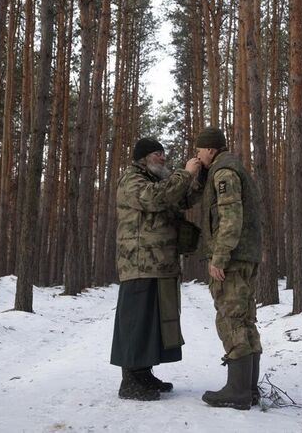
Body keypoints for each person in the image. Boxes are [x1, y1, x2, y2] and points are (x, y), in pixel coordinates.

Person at [110, 137, 202, 401]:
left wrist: (199, 175)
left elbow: (181, 198)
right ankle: (129, 380)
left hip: (159, 263)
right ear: (143, 158)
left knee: (155, 323)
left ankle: (143, 373)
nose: (163, 157)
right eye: (157, 153)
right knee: (137, 322)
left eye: (163, 153)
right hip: (139, 263)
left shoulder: (155, 179)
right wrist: (185, 173)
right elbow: (157, 198)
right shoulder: (132, 180)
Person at [195, 127, 263, 410]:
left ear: (210, 149)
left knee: (232, 319)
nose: (197, 156)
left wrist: (219, 257)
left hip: (232, 260)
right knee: (245, 319)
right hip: (245, 256)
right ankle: (247, 389)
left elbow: (230, 218)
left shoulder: (224, 172)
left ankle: (237, 392)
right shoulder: (229, 168)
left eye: (199, 151)